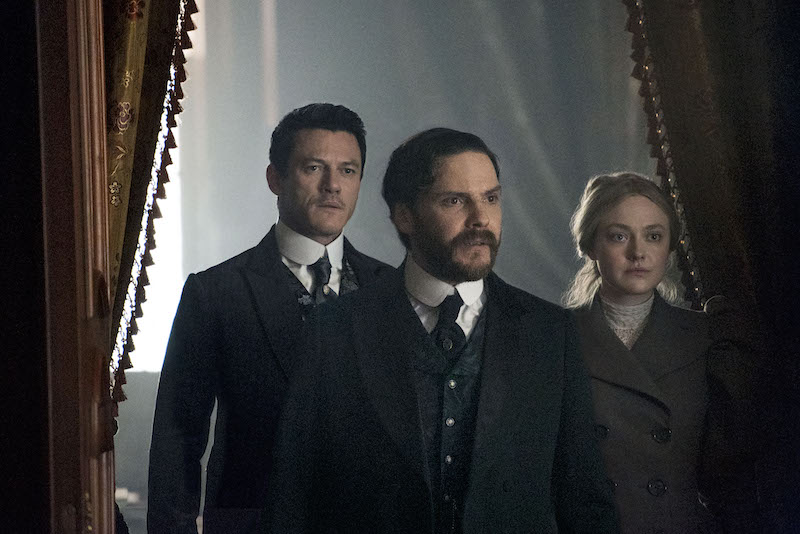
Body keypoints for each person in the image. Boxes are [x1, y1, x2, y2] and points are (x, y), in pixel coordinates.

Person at [265, 127, 618, 533]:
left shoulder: (550, 332)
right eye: (455, 201)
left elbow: (584, 499)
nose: (481, 219)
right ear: (404, 216)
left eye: (491, 198)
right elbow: (292, 496)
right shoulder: (335, 331)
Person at [147, 103, 392, 534]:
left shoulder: (391, 290)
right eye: (314, 168)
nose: (333, 185)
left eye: (348, 170)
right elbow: (177, 439)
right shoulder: (216, 292)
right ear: (274, 178)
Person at [563, 172, 759, 533]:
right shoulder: (555, 337)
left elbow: (730, 478)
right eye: (619, 236)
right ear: (590, 246)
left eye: (653, 236)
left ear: (670, 248)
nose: (638, 253)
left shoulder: (708, 337)